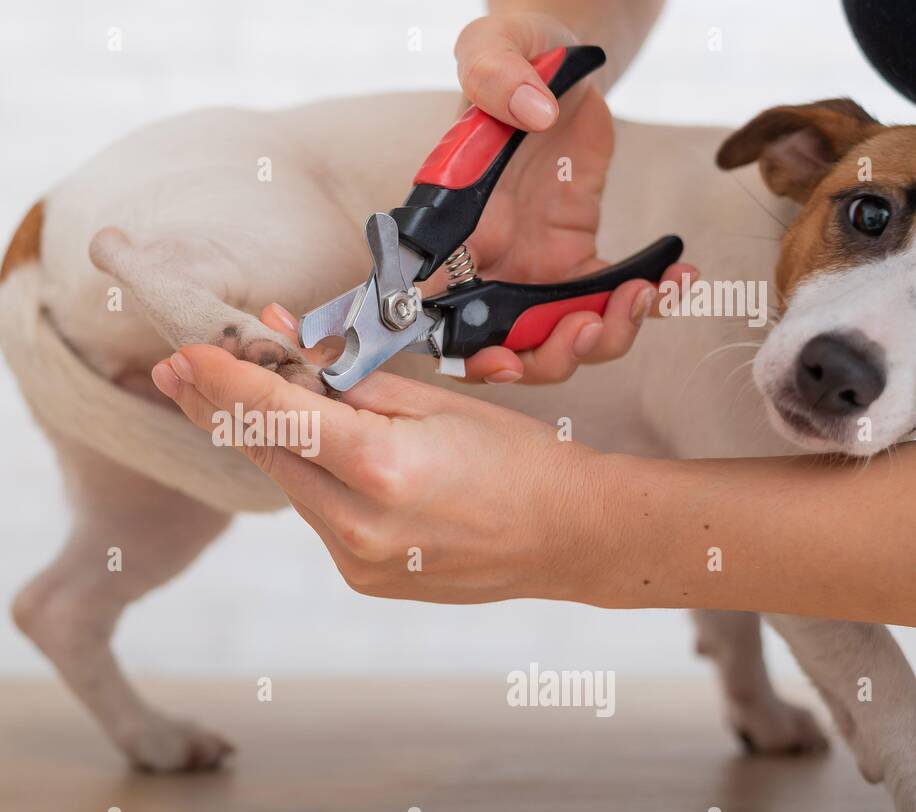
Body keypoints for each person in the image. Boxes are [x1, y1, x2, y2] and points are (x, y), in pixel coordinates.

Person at [149, 2, 916, 628]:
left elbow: (746, 533)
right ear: (798, 157)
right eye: (872, 219)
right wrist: (548, 41)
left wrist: (581, 526)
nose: (846, 357)